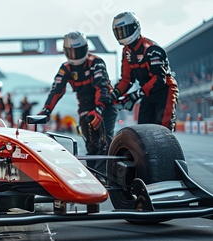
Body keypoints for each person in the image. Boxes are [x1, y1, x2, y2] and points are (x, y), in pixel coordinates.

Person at [38, 31, 117, 175]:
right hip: (85, 107)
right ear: (66, 52)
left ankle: (105, 176)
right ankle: (94, 176)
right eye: (72, 51)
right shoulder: (65, 68)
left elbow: (102, 87)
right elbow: (56, 90)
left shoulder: (96, 62)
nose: (75, 54)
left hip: (105, 105)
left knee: (105, 142)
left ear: (86, 49)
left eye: (78, 50)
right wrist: (46, 110)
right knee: (91, 145)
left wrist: (99, 109)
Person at [111, 12, 178, 130]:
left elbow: (159, 79)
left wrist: (137, 94)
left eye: (124, 30)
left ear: (134, 27)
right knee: (143, 131)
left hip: (165, 90)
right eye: (119, 31)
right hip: (147, 93)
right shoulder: (126, 51)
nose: (122, 35)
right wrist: (114, 93)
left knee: (163, 129)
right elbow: (126, 79)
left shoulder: (152, 49)